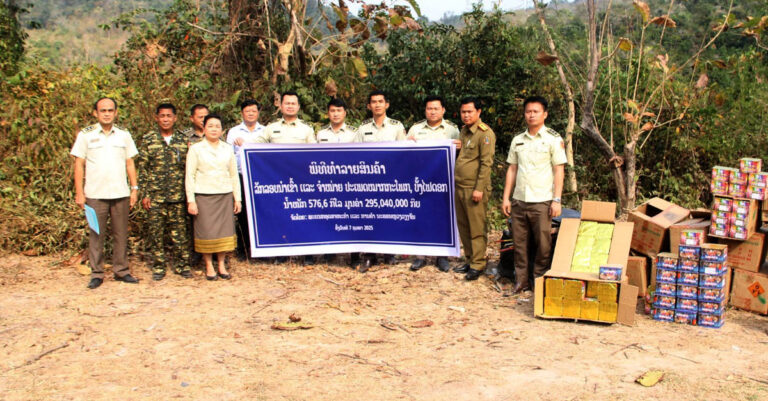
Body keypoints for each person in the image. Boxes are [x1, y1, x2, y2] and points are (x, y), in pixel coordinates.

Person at [71, 97, 140, 289]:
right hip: (95, 194)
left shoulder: (123, 135)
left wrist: (134, 189)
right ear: (95, 113)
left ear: (116, 113)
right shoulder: (86, 135)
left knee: (120, 234)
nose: (107, 114)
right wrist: (79, 192)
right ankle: (97, 273)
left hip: (120, 193)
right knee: (96, 234)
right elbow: (79, 164)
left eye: (110, 110)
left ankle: (121, 271)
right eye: (103, 111)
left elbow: (129, 163)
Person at [502, 96, 566, 295]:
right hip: (520, 200)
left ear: (544, 114)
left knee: (543, 245)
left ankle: (539, 282)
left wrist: (557, 199)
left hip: (542, 201)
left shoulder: (553, 139)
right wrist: (506, 198)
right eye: (528, 111)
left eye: (535, 111)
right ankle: (521, 282)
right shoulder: (518, 140)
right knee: (519, 244)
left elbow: (559, 170)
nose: (531, 115)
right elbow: (512, 169)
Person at [258, 90, 316, 264]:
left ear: (298, 106)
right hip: (278, 182)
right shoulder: (271, 128)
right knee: (281, 215)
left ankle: (308, 254)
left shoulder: (307, 129)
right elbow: (255, 147)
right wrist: (241, 142)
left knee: (305, 216)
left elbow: (314, 154)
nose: (290, 106)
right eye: (287, 103)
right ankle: (281, 252)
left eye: (293, 103)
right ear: (280, 106)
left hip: (301, 182)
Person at [137, 103, 192, 281]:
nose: (166, 119)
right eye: (162, 116)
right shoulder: (149, 140)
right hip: (156, 196)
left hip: (178, 196)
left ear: (175, 118)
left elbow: (189, 169)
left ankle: (182, 265)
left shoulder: (184, 140)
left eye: (169, 116)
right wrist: (145, 194)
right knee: (156, 234)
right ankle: (159, 266)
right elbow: (143, 168)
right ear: (156, 118)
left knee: (180, 234)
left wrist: (189, 196)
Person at [407, 95, 461, 273]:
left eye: (436, 108)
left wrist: (459, 147)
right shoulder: (415, 129)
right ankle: (420, 256)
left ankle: (442, 256)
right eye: (429, 108)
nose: (432, 111)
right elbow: (404, 153)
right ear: (425, 110)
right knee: (420, 216)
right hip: (419, 181)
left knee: (442, 218)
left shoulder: (452, 130)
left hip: (443, 181)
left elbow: (461, 155)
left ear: (443, 110)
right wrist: (407, 145)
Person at [355, 90, 407, 272]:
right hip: (368, 182)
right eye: (373, 102)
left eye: (380, 101)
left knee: (389, 216)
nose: (377, 105)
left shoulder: (396, 127)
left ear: (387, 105)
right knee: (370, 217)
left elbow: (405, 153)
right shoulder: (362, 129)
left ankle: (389, 253)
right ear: (369, 106)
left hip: (390, 181)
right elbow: (355, 154)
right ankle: (369, 256)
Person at [186, 114, 242, 281]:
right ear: (204, 128)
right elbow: (190, 175)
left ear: (222, 130)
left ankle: (222, 264)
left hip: (224, 194)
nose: (214, 129)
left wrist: (237, 198)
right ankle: (209, 265)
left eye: (217, 126)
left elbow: (233, 175)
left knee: (224, 231)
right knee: (206, 232)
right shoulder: (196, 149)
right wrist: (191, 200)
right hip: (204, 195)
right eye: (210, 126)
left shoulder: (227, 148)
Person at [452, 97, 496, 281]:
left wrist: (479, 189)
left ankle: (478, 264)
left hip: (474, 188)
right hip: (460, 186)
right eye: (463, 112)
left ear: (478, 112)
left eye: (470, 111)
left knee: (477, 227)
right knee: (464, 226)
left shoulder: (484, 134)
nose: (466, 115)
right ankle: (470, 259)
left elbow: (486, 164)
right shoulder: (464, 131)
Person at [316, 98, 359, 267]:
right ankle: (330, 251)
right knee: (330, 215)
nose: (335, 114)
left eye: (339, 111)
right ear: (328, 113)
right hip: (328, 183)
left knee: (353, 217)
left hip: (350, 182)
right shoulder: (321, 134)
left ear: (345, 113)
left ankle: (354, 255)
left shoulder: (355, 133)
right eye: (332, 111)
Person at [226, 100, 265, 261]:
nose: (250, 113)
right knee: (242, 214)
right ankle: (244, 249)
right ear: (242, 113)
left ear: (258, 113)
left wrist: (247, 144)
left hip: (259, 178)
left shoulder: (264, 131)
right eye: (247, 111)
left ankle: (261, 249)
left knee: (260, 213)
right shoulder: (233, 132)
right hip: (241, 177)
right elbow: (229, 155)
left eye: (253, 111)